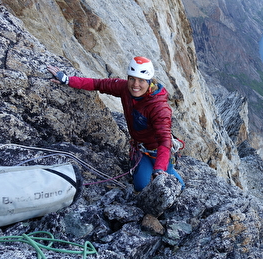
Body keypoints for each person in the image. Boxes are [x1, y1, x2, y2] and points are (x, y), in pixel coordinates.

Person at [47, 57, 185, 192]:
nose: (135, 85)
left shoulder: (159, 108)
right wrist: (67, 80)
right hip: (142, 149)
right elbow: (98, 84)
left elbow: (165, 141)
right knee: (141, 186)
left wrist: (159, 169)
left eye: (141, 80)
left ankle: (179, 182)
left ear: (149, 82)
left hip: (158, 151)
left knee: (155, 181)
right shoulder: (125, 89)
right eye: (132, 78)